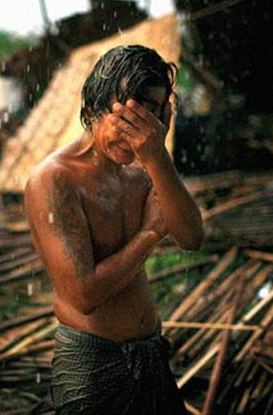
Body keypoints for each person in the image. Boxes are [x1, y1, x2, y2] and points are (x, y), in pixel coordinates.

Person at [24, 45, 204, 414]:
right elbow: (83, 294)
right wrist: (150, 234)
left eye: (149, 122)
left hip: (151, 353)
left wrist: (157, 153)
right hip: (92, 366)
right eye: (126, 125)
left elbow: (192, 238)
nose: (136, 139)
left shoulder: (143, 166)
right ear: (92, 114)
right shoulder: (55, 180)